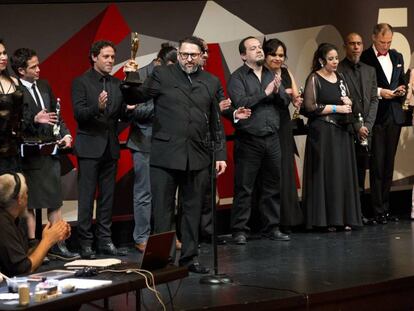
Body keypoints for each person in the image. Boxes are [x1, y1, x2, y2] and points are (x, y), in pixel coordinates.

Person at [126, 36, 227, 274]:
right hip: (165, 155)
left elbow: (215, 121)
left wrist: (220, 153)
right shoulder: (162, 75)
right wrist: (129, 77)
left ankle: (190, 258)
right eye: (184, 54)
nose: (188, 59)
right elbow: (135, 97)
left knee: (192, 211)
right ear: (178, 54)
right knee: (162, 211)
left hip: (198, 155)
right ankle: (163, 260)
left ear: (202, 55)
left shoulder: (211, 81)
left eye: (193, 55)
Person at [10, 48, 80, 261]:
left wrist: (66, 134)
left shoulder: (44, 85)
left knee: (54, 199)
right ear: (22, 70)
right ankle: (33, 244)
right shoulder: (15, 91)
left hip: (50, 151)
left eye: (38, 64)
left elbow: (55, 115)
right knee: (30, 203)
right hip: (28, 154)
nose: (39, 69)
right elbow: (13, 122)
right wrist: (33, 120)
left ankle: (58, 243)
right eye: (33, 67)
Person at [227, 36, 291, 245]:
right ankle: (240, 230)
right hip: (249, 139)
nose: (259, 51)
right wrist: (265, 93)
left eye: (259, 48)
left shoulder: (270, 74)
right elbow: (241, 103)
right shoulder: (237, 78)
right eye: (253, 48)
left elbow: (283, 103)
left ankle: (271, 227)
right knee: (245, 187)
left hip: (272, 137)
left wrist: (280, 92)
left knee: (273, 184)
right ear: (244, 55)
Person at [72, 40, 128, 258]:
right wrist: (98, 107)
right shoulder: (81, 82)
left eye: (113, 57)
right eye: (106, 57)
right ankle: (85, 242)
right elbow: (79, 114)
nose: (111, 61)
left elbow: (120, 112)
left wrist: (128, 108)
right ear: (94, 57)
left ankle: (105, 240)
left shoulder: (116, 83)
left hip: (111, 147)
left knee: (107, 198)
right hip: (89, 147)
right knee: (86, 198)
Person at [302, 43, 362, 231]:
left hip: (341, 131)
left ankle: (343, 217)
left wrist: (349, 102)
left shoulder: (341, 78)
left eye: (336, 58)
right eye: (331, 59)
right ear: (322, 60)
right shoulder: (314, 78)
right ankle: (325, 220)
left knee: (341, 174)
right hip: (324, 132)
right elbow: (310, 107)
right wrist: (337, 108)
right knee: (326, 174)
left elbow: (349, 101)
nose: (335, 62)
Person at [126, 43, 177, 253]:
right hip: (143, 141)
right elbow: (133, 111)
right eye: (170, 66)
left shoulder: (173, 76)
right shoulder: (140, 75)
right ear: (159, 62)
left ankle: (165, 238)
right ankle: (142, 237)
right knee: (144, 192)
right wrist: (163, 107)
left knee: (166, 193)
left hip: (167, 142)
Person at [360, 23, 406, 224]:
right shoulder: (366, 58)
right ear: (373, 38)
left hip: (394, 115)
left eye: (389, 42)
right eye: (382, 42)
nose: (386, 46)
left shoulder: (397, 57)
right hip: (377, 116)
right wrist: (380, 92)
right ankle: (377, 209)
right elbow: (364, 87)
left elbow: (401, 79)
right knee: (377, 164)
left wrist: (402, 89)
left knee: (389, 165)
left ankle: (386, 208)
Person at [337, 33, 379, 225]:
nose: (356, 47)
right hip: (346, 130)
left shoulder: (370, 70)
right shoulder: (339, 70)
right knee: (348, 174)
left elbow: (373, 100)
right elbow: (339, 100)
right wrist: (356, 125)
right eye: (352, 43)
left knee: (362, 173)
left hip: (366, 131)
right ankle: (349, 214)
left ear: (363, 46)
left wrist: (367, 126)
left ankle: (360, 213)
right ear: (345, 46)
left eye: (359, 44)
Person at [263, 38, 303, 229]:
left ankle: (288, 219)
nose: (278, 59)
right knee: (270, 171)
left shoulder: (286, 72)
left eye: (281, 55)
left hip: (284, 124)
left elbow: (295, 96)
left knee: (285, 169)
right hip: (266, 124)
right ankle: (269, 220)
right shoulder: (261, 72)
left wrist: (296, 100)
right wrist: (282, 92)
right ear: (265, 55)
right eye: (274, 55)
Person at [0, 172, 71, 276]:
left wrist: (52, 237)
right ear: (20, 199)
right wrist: (47, 241)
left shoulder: (15, 219)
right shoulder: (3, 224)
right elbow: (24, 269)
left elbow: (25, 258)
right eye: (27, 193)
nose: (28, 198)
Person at [0, 39, 23, 174]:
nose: (3, 57)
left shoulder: (14, 82)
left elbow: (21, 114)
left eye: (4, 53)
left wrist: (35, 118)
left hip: (14, 150)